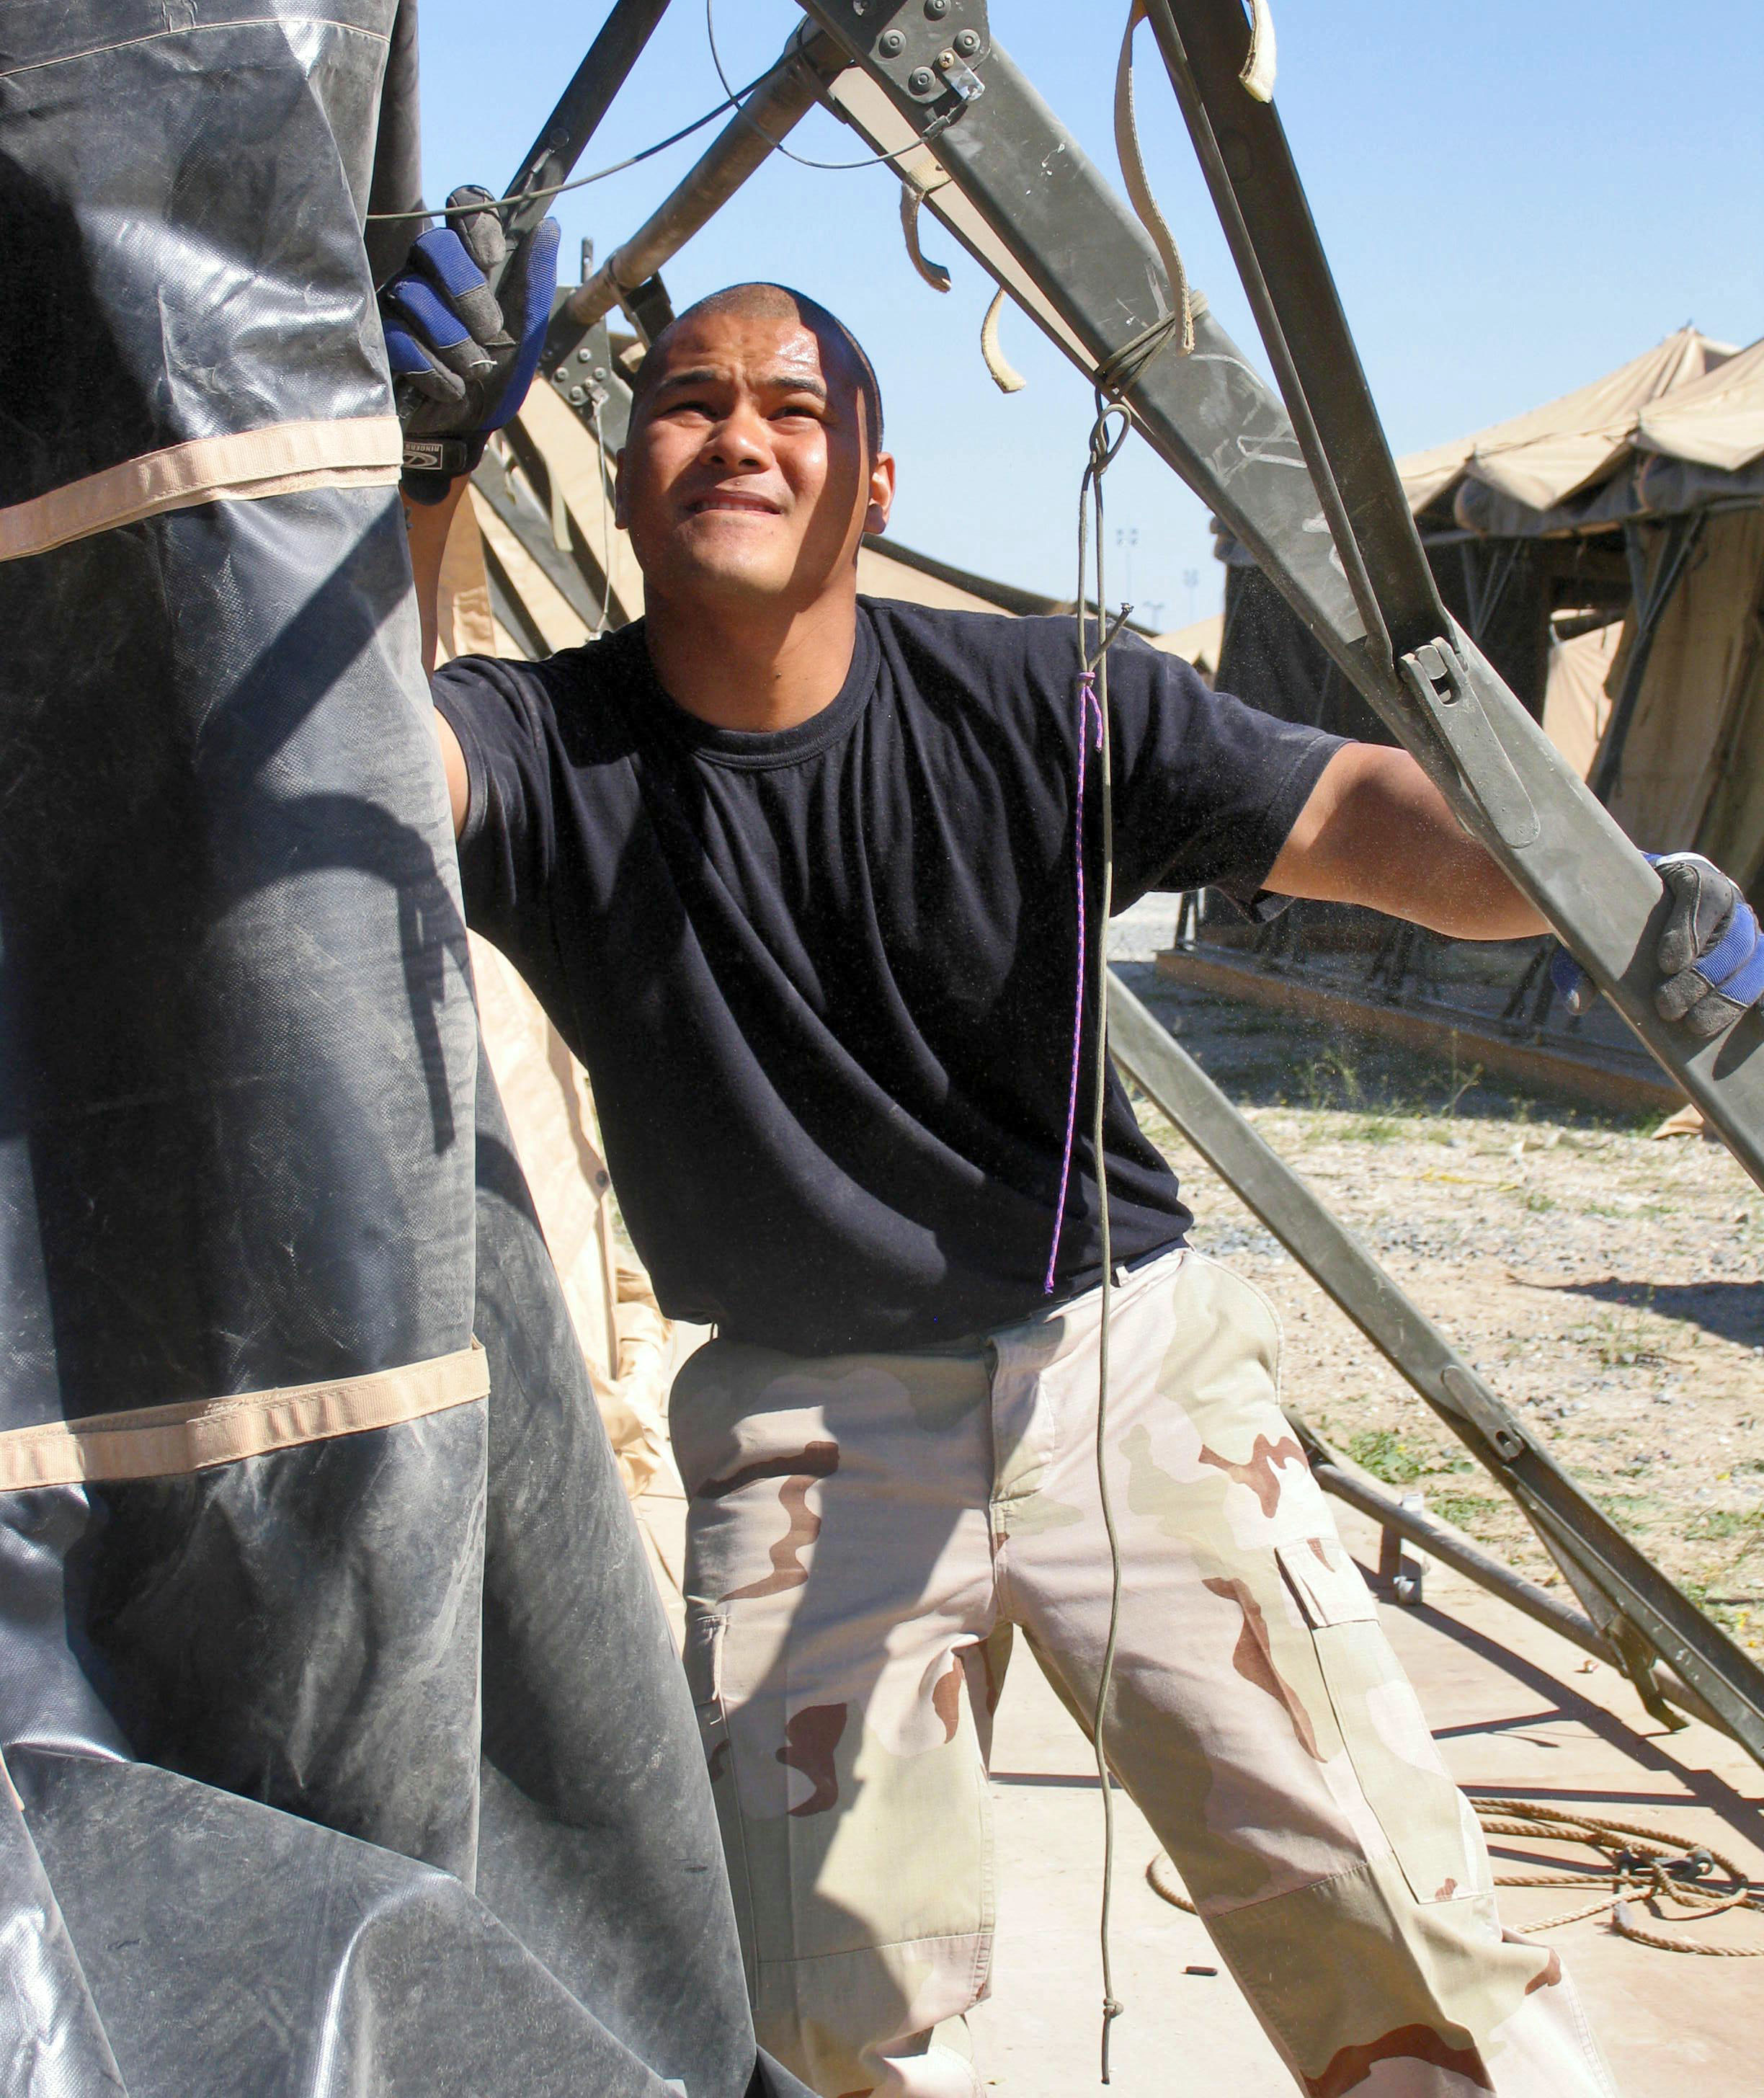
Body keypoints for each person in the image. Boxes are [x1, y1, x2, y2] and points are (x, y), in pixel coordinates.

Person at [381, 202, 1757, 2098]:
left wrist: (1580, 892)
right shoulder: (551, 747)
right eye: (689, 402)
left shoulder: (1039, 703)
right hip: (810, 1429)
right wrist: (431, 473)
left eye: (794, 403)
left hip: (1118, 1368)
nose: (741, 432)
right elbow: (370, 758)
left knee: (1393, 1928)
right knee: (812, 2013)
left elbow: (1345, 806)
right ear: (627, 480)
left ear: (871, 478)